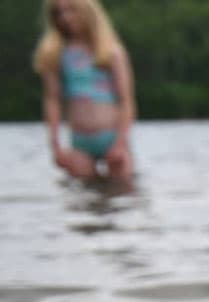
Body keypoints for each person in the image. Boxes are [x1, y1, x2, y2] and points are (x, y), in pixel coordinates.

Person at [34, 0, 136, 185]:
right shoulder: (54, 54)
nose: (65, 17)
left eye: (71, 10)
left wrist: (120, 143)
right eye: (58, 13)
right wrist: (55, 146)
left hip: (111, 136)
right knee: (81, 197)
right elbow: (52, 100)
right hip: (80, 141)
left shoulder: (111, 52)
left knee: (123, 193)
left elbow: (126, 101)